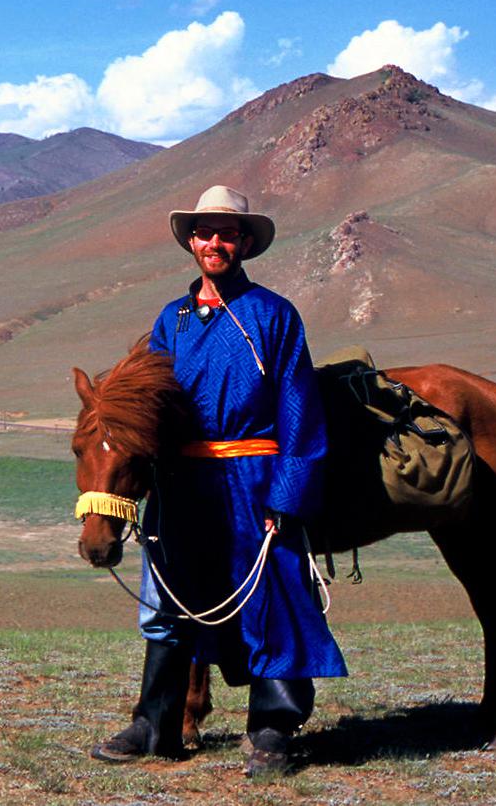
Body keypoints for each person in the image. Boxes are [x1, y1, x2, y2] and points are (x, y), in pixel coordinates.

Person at [89, 185, 346, 778]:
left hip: (255, 476)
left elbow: (299, 410)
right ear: (192, 242)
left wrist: (286, 495)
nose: (215, 242)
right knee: (170, 604)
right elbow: (148, 405)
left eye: (227, 233)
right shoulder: (171, 320)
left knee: (271, 598)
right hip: (182, 482)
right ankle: (156, 724)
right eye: (204, 233)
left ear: (246, 242)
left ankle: (274, 730)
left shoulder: (274, 315)